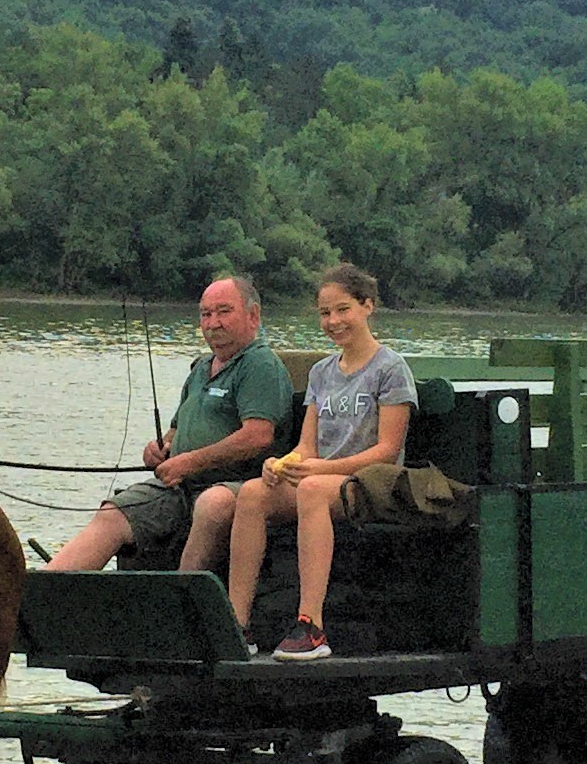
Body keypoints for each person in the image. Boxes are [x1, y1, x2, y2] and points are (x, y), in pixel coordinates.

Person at [224, 263, 414, 660]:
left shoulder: (391, 368)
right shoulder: (321, 373)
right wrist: (281, 462)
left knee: (309, 489)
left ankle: (312, 627)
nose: (333, 321)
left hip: (374, 483)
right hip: (326, 479)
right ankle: (236, 625)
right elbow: (307, 446)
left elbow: (387, 451)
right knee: (253, 494)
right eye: (325, 313)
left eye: (343, 309)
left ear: (367, 306)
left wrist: (316, 470)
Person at [45, 275, 289, 576]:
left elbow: (258, 436)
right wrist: (160, 449)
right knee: (112, 513)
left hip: (236, 486)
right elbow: (175, 433)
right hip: (178, 486)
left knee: (212, 505)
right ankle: (42, 592)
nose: (213, 323)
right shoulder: (201, 368)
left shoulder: (260, 364)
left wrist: (190, 462)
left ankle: (179, 598)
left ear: (253, 316)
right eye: (205, 314)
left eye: (224, 311)